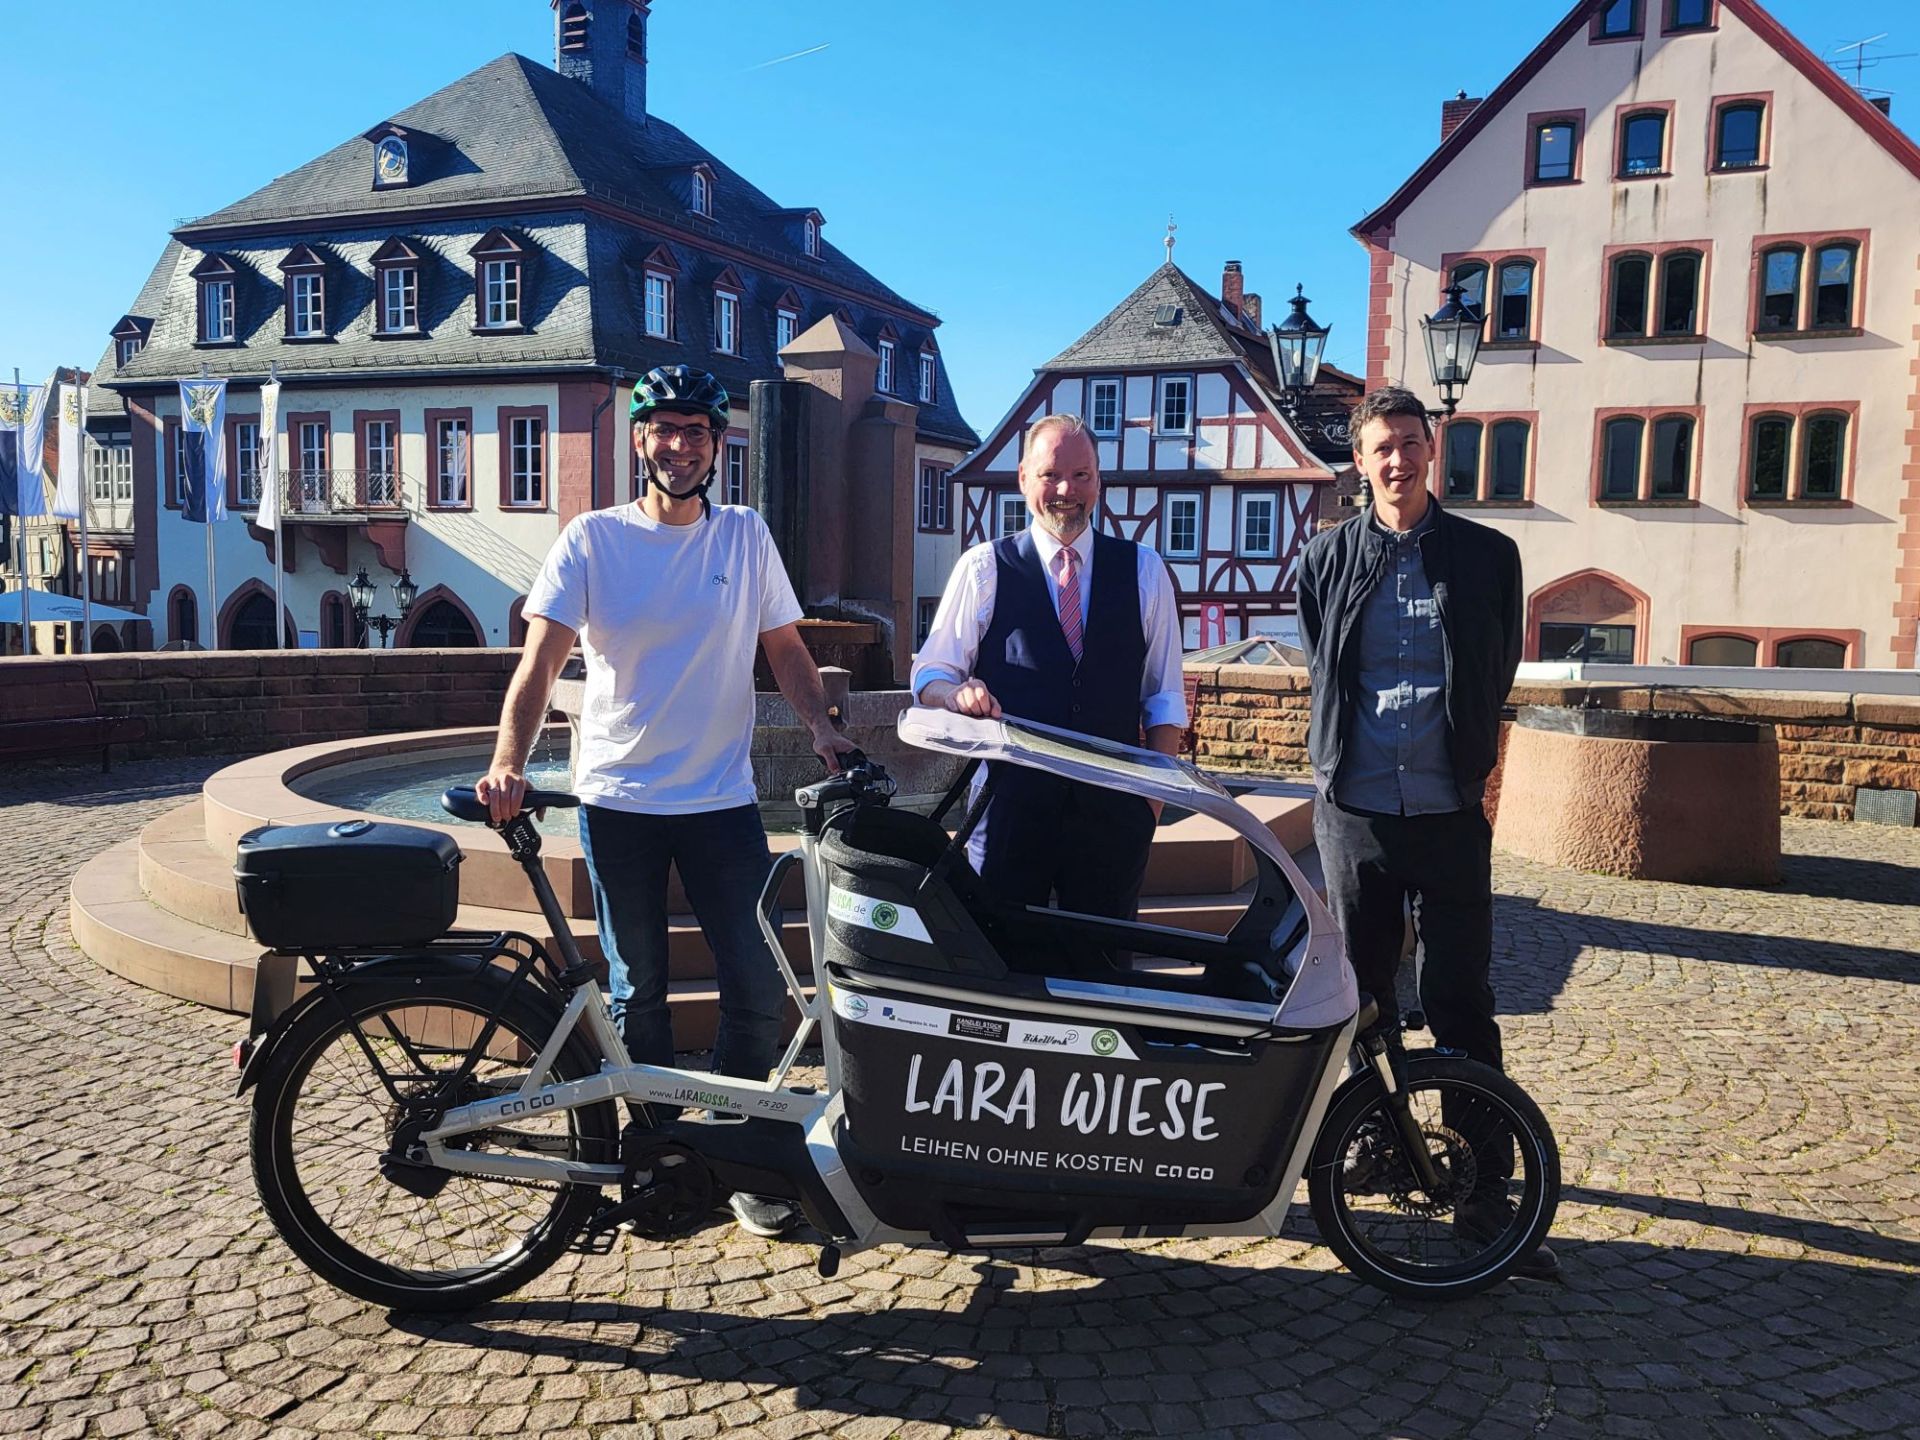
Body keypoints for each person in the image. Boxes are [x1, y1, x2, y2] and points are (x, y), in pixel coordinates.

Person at [477, 364, 853, 1239]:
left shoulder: (746, 538)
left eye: (696, 432)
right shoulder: (591, 540)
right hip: (618, 801)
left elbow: (786, 651)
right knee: (639, 992)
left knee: (757, 986)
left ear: (716, 446)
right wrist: (507, 762)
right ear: (638, 439)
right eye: (663, 430)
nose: (678, 446)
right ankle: (657, 1162)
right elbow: (538, 667)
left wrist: (825, 730)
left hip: (721, 801)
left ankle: (740, 1154)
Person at [1295, 385, 1555, 1279]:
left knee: (1460, 1002)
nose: (1398, 460)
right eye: (1382, 447)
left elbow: (1497, 662)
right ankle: (1378, 1147)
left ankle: (1487, 1195)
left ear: (1430, 452)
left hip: (1447, 811)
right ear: (1359, 463)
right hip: (1356, 813)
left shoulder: (1487, 556)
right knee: (1363, 999)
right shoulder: (1327, 558)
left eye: (1411, 443)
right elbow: (1322, 659)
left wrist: (1471, 754)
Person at [911, 413, 1187, 920]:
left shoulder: (1144, 570)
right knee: (1003, 971)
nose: (1066, 489)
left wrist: (1149, 808)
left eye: (1081, 475)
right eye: (1050, 475)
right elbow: (930, 674)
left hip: (1113, 818)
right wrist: (954, 695)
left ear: (1098, 480)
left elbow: (1164, 698)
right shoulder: (983, 567)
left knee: (1105, 979)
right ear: (1023, 478)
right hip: (1008, 816)